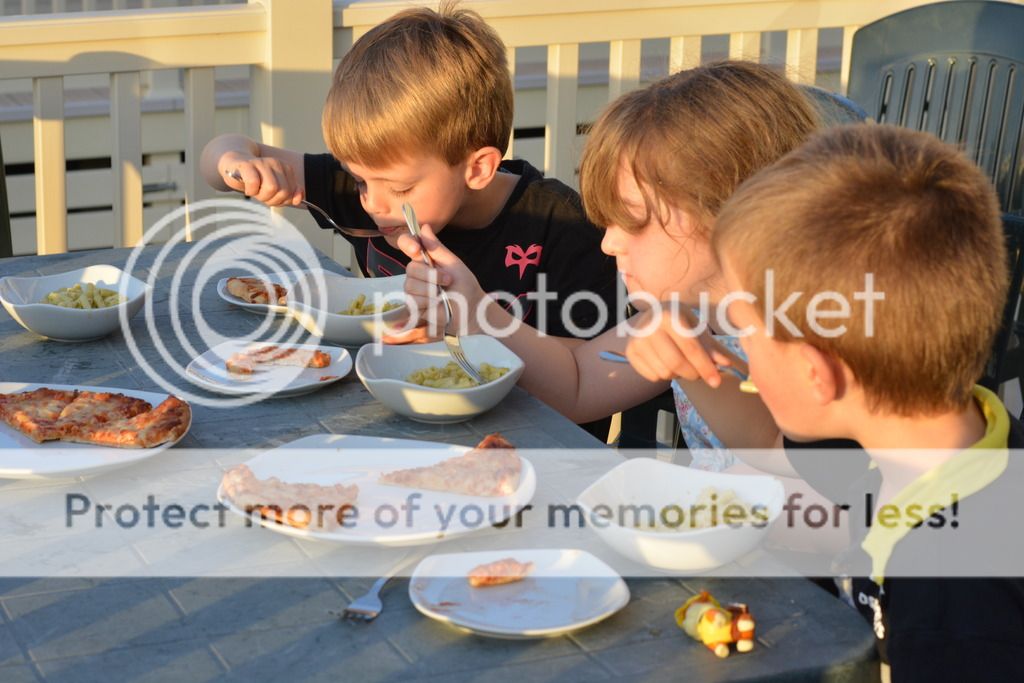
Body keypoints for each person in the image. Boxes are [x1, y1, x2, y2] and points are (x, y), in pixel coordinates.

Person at [393, 60, 819, 468]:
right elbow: (575, 385)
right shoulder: (678, 316)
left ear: (734, 218)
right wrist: (474, 308)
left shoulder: (814, 332)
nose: (610, 243)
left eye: (631, 220)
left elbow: (804, 470)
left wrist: (692, 367)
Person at [713, 123, 1024, 680]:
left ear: (816, 376)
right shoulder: (942, 447)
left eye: (745, 333)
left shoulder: (956, 598)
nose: (742, 351)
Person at [199, 3, 618, 341]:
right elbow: (220, 157)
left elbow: (587, 374)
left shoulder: (561, 226)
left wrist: (469, 327)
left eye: (401, 188)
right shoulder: (373, 186)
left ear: (477, 168)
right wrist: (238, 165)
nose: (372, 204)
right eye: (360, 180)